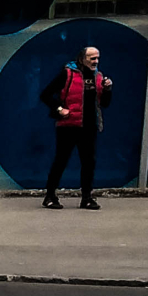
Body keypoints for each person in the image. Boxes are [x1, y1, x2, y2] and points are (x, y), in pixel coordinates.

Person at [42, 44, 112, 209]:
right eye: (92, 58)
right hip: (68, 125)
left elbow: (105, 104)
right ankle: (50, 196)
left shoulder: (98, 77)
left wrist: (108, 89)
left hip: (89, 126)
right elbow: (45, 94)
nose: (96, 61)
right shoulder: (67, 74)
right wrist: (59, 109)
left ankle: (87, 198)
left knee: (89, 163)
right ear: (82, 59)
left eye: (97, 58)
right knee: (61, 160)